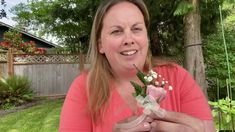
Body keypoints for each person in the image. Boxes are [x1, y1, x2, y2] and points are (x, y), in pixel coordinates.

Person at [59, 0, 216, 131]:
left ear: (146, 38)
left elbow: (206, 127)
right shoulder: (84, 88)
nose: (129, 39)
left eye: (136, 29)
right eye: (117, 31)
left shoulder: (177, 77)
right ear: (100, 45)